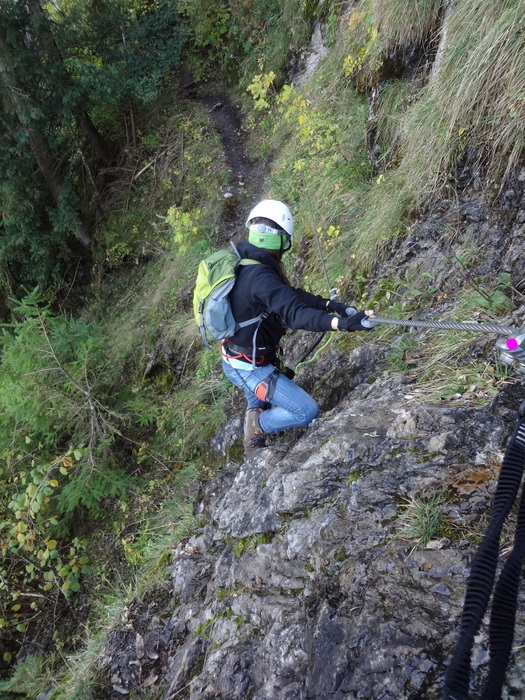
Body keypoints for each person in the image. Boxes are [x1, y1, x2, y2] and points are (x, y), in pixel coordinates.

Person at [221, 199, 376, 454]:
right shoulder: (258, 275)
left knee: (258, 396)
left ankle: (255, 416)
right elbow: (294, 313)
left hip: (239, 357)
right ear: (280, 239)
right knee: (305, 411)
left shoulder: (246, 262)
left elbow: (288, 296)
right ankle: (258, 424)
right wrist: (343, 324)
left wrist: (329, 305)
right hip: (249, 366)